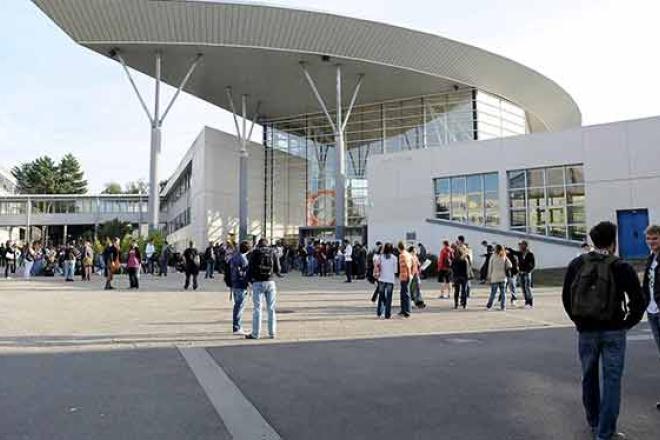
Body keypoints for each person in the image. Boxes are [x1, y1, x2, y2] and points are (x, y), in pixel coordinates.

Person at [562, 221, 647, 440]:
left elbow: (566, 298)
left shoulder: (577, 264)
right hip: (614, 330)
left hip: (586, 331)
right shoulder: (621, 266)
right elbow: (638, 300)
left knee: (588, 377)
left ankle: (594, 422)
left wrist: (578, 321)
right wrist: (627, 323)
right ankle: (606, 432)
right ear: (613, 242)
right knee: (612, 380)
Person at [245, 238, 281, 340]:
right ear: (267, 244)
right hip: (270, 282)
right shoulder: (273, 252)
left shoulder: (255, 253)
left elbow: (250, 268)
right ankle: (272, 333)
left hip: (257, 282)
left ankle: (255, 334)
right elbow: (278, 268)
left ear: (258, 244)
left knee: (257, 309)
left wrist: (248, 281)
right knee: (271, 308)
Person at [642, 225, 660, 410]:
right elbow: (647, 284)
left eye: (654, 238)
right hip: (652, 311)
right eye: (649, 239)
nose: (651, 242)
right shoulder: (651, 258)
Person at [230, 240, 251, 335]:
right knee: (239, 306)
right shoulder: (243, 259)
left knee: (237, 305)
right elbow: (244, 273)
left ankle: (236, 326)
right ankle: (237, 327)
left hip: (234, 284)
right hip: (241, 284)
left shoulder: (234, 257)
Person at [486, 245, 512, 311]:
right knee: (503, 292)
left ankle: (489, 306)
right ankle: (503, 306)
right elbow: (510, 265)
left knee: (493, 292)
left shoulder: (493, 256)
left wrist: (489, 276)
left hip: (495, 277)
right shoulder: (504, 256)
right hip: (503, 277)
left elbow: (490, 267)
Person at [375, 242, 397, 319]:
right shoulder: (394, 258)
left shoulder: (380, 257)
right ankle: (388, 314)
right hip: (390, 279)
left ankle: (381, 310)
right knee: (389, 297)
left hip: (382, 279)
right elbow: (395, 271)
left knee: (381, 296)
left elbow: (377, 267)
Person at [515, 240, 536, 308]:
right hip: (520, 273)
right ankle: (526, 302)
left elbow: (533, 264)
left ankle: (530, 303)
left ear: (525, 245)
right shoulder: (520, 253)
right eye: (520, 245)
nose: (520, 246)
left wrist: (527, 271)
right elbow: (513, 252)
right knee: (523, 288)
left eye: (521, 245)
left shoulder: (530, 254)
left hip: (527, 273)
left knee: (527, 288)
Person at [397, 241, 413, 318]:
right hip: (406, 275)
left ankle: (407, 310)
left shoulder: (402, 255)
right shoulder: (408, 254)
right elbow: (412, 264)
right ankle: (403, 309)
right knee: (404, 293)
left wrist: (408, 274)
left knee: (405, 293)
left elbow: (407, 265)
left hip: (404, 275)